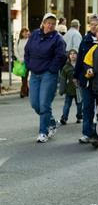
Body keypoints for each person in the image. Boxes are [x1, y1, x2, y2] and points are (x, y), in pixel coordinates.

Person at [24, 13, 66, 143]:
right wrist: (29, 64)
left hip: (48, 74)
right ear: (43, 23)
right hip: (35, 73)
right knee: (35, 104)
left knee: (44, 104)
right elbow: (27, 50)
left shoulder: (58, 39)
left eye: (53, 23)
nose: (50, 25)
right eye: (48, 23)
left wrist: (52, 69)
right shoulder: (35, 34)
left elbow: (61, 57)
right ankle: (53, 121)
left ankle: (43, 132)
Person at [73, 13, 98, 143]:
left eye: (96, 25)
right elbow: (79, 59)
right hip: (87, 80)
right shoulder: (85, 40)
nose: (93, 27)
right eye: (91, 25)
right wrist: (76, 76)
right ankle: (87, 133)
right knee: (87, 107)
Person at [59, 49, 83, 125]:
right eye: (71, 54)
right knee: (67, 104)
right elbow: (63, 79)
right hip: (69, 89)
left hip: (78, 89)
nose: (72, 55)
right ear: (68, 56)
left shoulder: (80, 65)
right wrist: (62, 90)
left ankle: (79, 117)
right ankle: (64, 118)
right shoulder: (66, 67)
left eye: (74, 53)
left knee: (79, 104)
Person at [14, 27, 31, 98]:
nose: (25, 33)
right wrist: (19, 58)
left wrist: (25, 58)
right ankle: (26, 90)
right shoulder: (18, 41)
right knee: (23, 77)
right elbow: (15, 50)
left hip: (27, 61)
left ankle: (22, 91)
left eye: (26, 32)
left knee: (25, 76)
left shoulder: (29, 40)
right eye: (24, 32)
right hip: (20, 61)